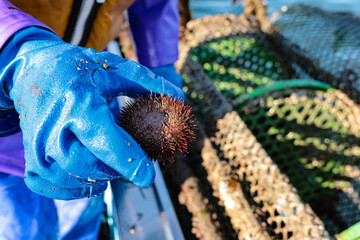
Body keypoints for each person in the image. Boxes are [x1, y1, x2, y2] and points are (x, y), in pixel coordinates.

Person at [0, 0, 183, 239]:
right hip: (10, 103)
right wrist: (13, 47)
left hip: (95, 87)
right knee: (21, 224)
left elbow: (154, 3)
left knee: (84, 196)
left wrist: (160, 61)